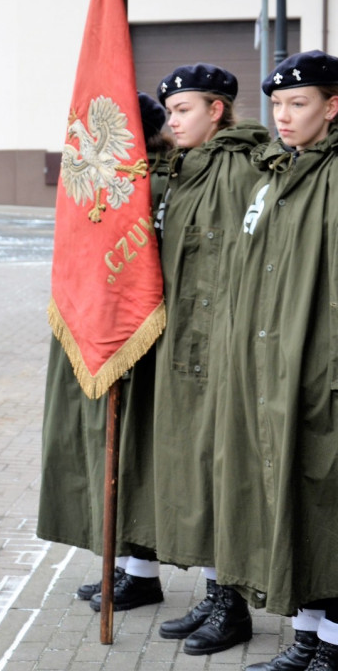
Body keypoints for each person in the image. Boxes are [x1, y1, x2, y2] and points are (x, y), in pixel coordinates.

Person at [214, 50, 338, 671]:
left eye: (300, 103)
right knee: (297, 503)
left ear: (332, 106)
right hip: (275, 366)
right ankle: (311, 639)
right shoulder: (278, 174)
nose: (284, 117)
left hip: (321, 368)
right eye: (278, 106)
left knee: (325, 501)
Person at [37, 92, 172, 612]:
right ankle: (128, 568)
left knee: (135, 453)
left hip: (137, 334)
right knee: (106, 452)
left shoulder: (153, 183)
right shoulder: (98, 183)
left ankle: (141, 572)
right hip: (96, 327)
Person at [152, 64, 269, 655]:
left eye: (183, 110)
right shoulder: (189, 167)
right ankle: (217, 590)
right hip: (190, 345)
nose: (172, 120)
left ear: (217, 110)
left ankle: (236, 605)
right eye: (169, 111)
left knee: (226, 472)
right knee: (199, 472)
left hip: (223, 345)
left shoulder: (243, 168)